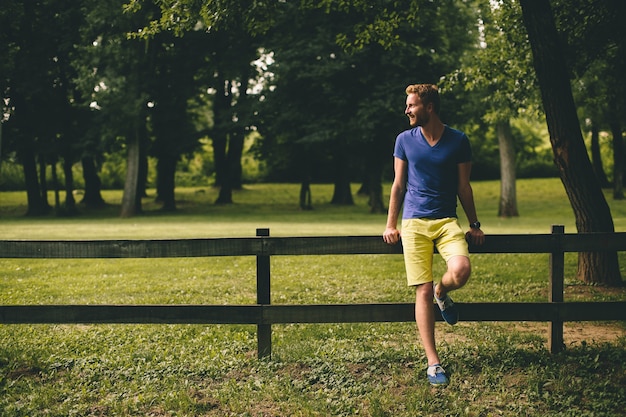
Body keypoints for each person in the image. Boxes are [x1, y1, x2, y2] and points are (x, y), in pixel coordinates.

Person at [383, 84, 485, 386]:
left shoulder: (458, 141)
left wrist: (474, 224)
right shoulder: (404, 141)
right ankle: (433, 363)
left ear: (429, 106)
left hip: (446, 221)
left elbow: (464, 186)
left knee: (461, 270)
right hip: (414, 222)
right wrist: (391, 224)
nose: (407, 110)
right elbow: (398, 185)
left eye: (412, 105)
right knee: (422, 291)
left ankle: (444, 292)